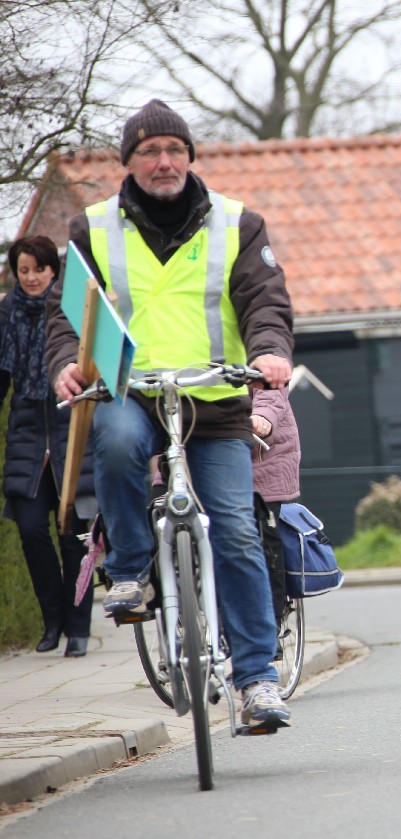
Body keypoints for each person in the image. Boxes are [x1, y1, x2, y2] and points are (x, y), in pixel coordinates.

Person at [46, 100, 294, 730]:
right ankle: (130, 569)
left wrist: (269, 352)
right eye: (150, 151)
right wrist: (66, 364)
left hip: (214, 396)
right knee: (117, 444)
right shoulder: (92, 229)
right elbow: (66, 314)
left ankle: (257, 681)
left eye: (175, 150)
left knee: (236, 530)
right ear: (128, 163)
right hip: (131, 391)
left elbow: (265, 301)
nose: (165, 161)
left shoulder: (238, 224)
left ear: (190, 157)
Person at [1, 236, 95, 657]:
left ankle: (79, 628)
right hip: (26, 433)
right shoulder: (6, 315)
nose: (32, 278)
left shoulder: (71, 311)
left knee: (74, 536)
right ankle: (53, 621)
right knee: (31, 529)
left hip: (70, 427)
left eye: (39, 269)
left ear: (53, 272)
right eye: (23, 270)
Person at [251, 386, 301, 624]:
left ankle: (271, 622)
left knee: (263, 535)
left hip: (263, 455)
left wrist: (263, 416)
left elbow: (270, 386)